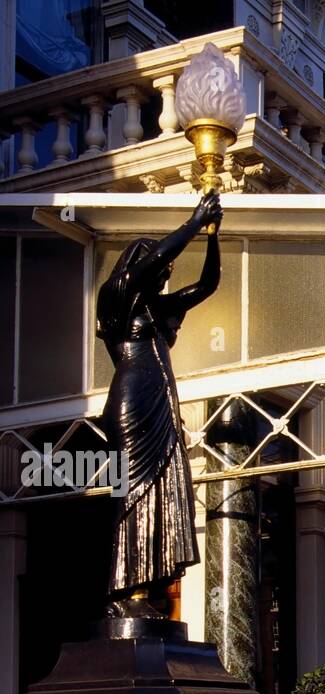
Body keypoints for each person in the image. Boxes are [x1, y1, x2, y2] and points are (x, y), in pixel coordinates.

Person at [96, 191, 223, 616]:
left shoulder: (158, 306)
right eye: (159, 264)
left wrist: (211, 235)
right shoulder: (116, 294)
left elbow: (206, 286)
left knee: (164, 488)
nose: (165, 272)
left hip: (161, 401)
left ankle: (143, 588)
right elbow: (147, 267)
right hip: (132, 401)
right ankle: (120, 589)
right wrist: (192, 222)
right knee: (131, 489)